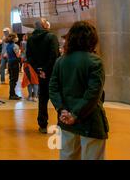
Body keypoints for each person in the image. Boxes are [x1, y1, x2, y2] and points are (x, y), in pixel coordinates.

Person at [49, 21, 108, 160]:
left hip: (65, 118)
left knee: (67, 156)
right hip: (90, 120)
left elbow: (53, 88)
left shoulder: (61, 61)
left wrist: (62, 110)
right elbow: (93, 94)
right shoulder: (95, 62)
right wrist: (75, 115)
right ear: (92, 39)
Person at [26, 18, 60, 134]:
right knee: (58, 97)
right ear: (44, 26)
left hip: (40, 73)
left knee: (43, 99)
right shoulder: (51, 37)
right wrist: (46, 69)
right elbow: (54, 55)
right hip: (52, 73)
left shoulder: (30, 39)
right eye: (46, 22)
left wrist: (39, 70)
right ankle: (63, 122)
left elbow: (29, 56)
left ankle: (42, 124)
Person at [6, 33, 22, 100]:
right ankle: (12, 95)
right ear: (14, 38)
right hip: (15, 63)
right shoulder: (15, 46)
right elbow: (18, 55)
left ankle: (12, 93)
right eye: (16, 37)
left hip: (9, 62)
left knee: (11, 79)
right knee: (14, 79)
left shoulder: (7, 45)